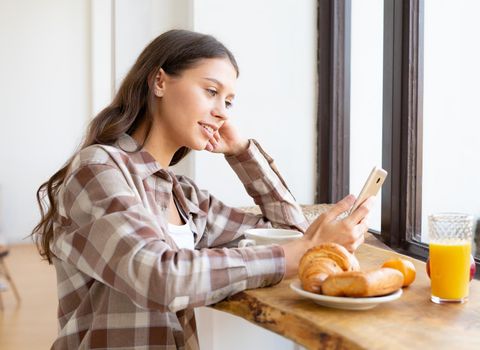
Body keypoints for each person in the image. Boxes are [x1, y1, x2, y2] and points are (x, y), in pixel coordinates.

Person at [31, 29, 371, 349]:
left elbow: (291, 234)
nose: (222, 112)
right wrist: (292, 254)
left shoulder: (184, 196)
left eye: (229, 102)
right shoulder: (98, 169)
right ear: (160, 81)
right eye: (211, 92)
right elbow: (158, 276)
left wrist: (244, 154)